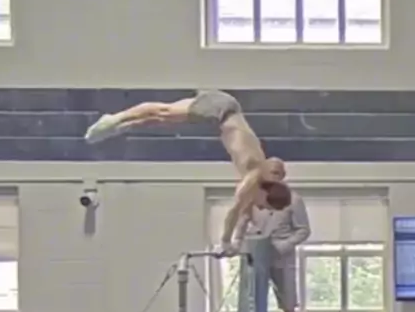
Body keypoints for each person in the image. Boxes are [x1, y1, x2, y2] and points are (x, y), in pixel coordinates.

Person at [85, 90, 291, 251]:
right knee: (163, 111)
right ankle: (114, 118)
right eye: (264, 205)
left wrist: (237, 241)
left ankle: (122, 126)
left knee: (160, 119)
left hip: (225, 110)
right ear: (266, 194)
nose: (260, 208)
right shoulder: (254, 176)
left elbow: (244, 214)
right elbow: (234, 212)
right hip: (221, 110)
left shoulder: (260, 178)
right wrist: (225, 242)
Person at [245, 165, 310, 312]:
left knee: (289, 304)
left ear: (283, 175)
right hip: (258, 254)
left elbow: (304, 230)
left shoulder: (293, 200)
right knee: (253, 303)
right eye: (269, 172)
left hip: (282, 257)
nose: (272, 176)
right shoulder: (254, 197)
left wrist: (285, 244)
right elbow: (244, 221)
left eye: (276, 173)